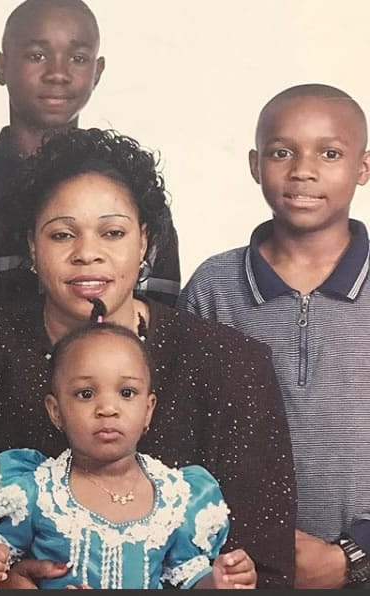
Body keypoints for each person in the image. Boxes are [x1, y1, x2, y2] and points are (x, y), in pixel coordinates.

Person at [0, 128, 296, 589]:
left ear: (145, 242)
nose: (87, 254)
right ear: (31, 246)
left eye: (112, 232)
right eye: (62, 234)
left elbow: (263, 566)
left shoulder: (227, 364)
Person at [177, 83, 370, 589]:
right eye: (282, 152)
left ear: (364, 167)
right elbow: (181, 433)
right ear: (255, 164)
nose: (303, 170)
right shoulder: (213, 287)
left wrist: (353, 556)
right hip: (240, 567)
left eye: (330, 153)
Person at [0, 0, 180, 312]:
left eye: (79, 58)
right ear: (0, 66)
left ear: (97, 72)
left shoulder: (133, 198)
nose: (58, 73)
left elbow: (158, 326)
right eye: (37, 55)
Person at [0, 321, 257, 590]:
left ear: (148, 409)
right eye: (86, 394)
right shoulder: (36, 490)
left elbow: (191, 577)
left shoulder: (177, 496)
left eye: (127, 393)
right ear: (56, 412)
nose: (108, 408)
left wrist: (219, 581)